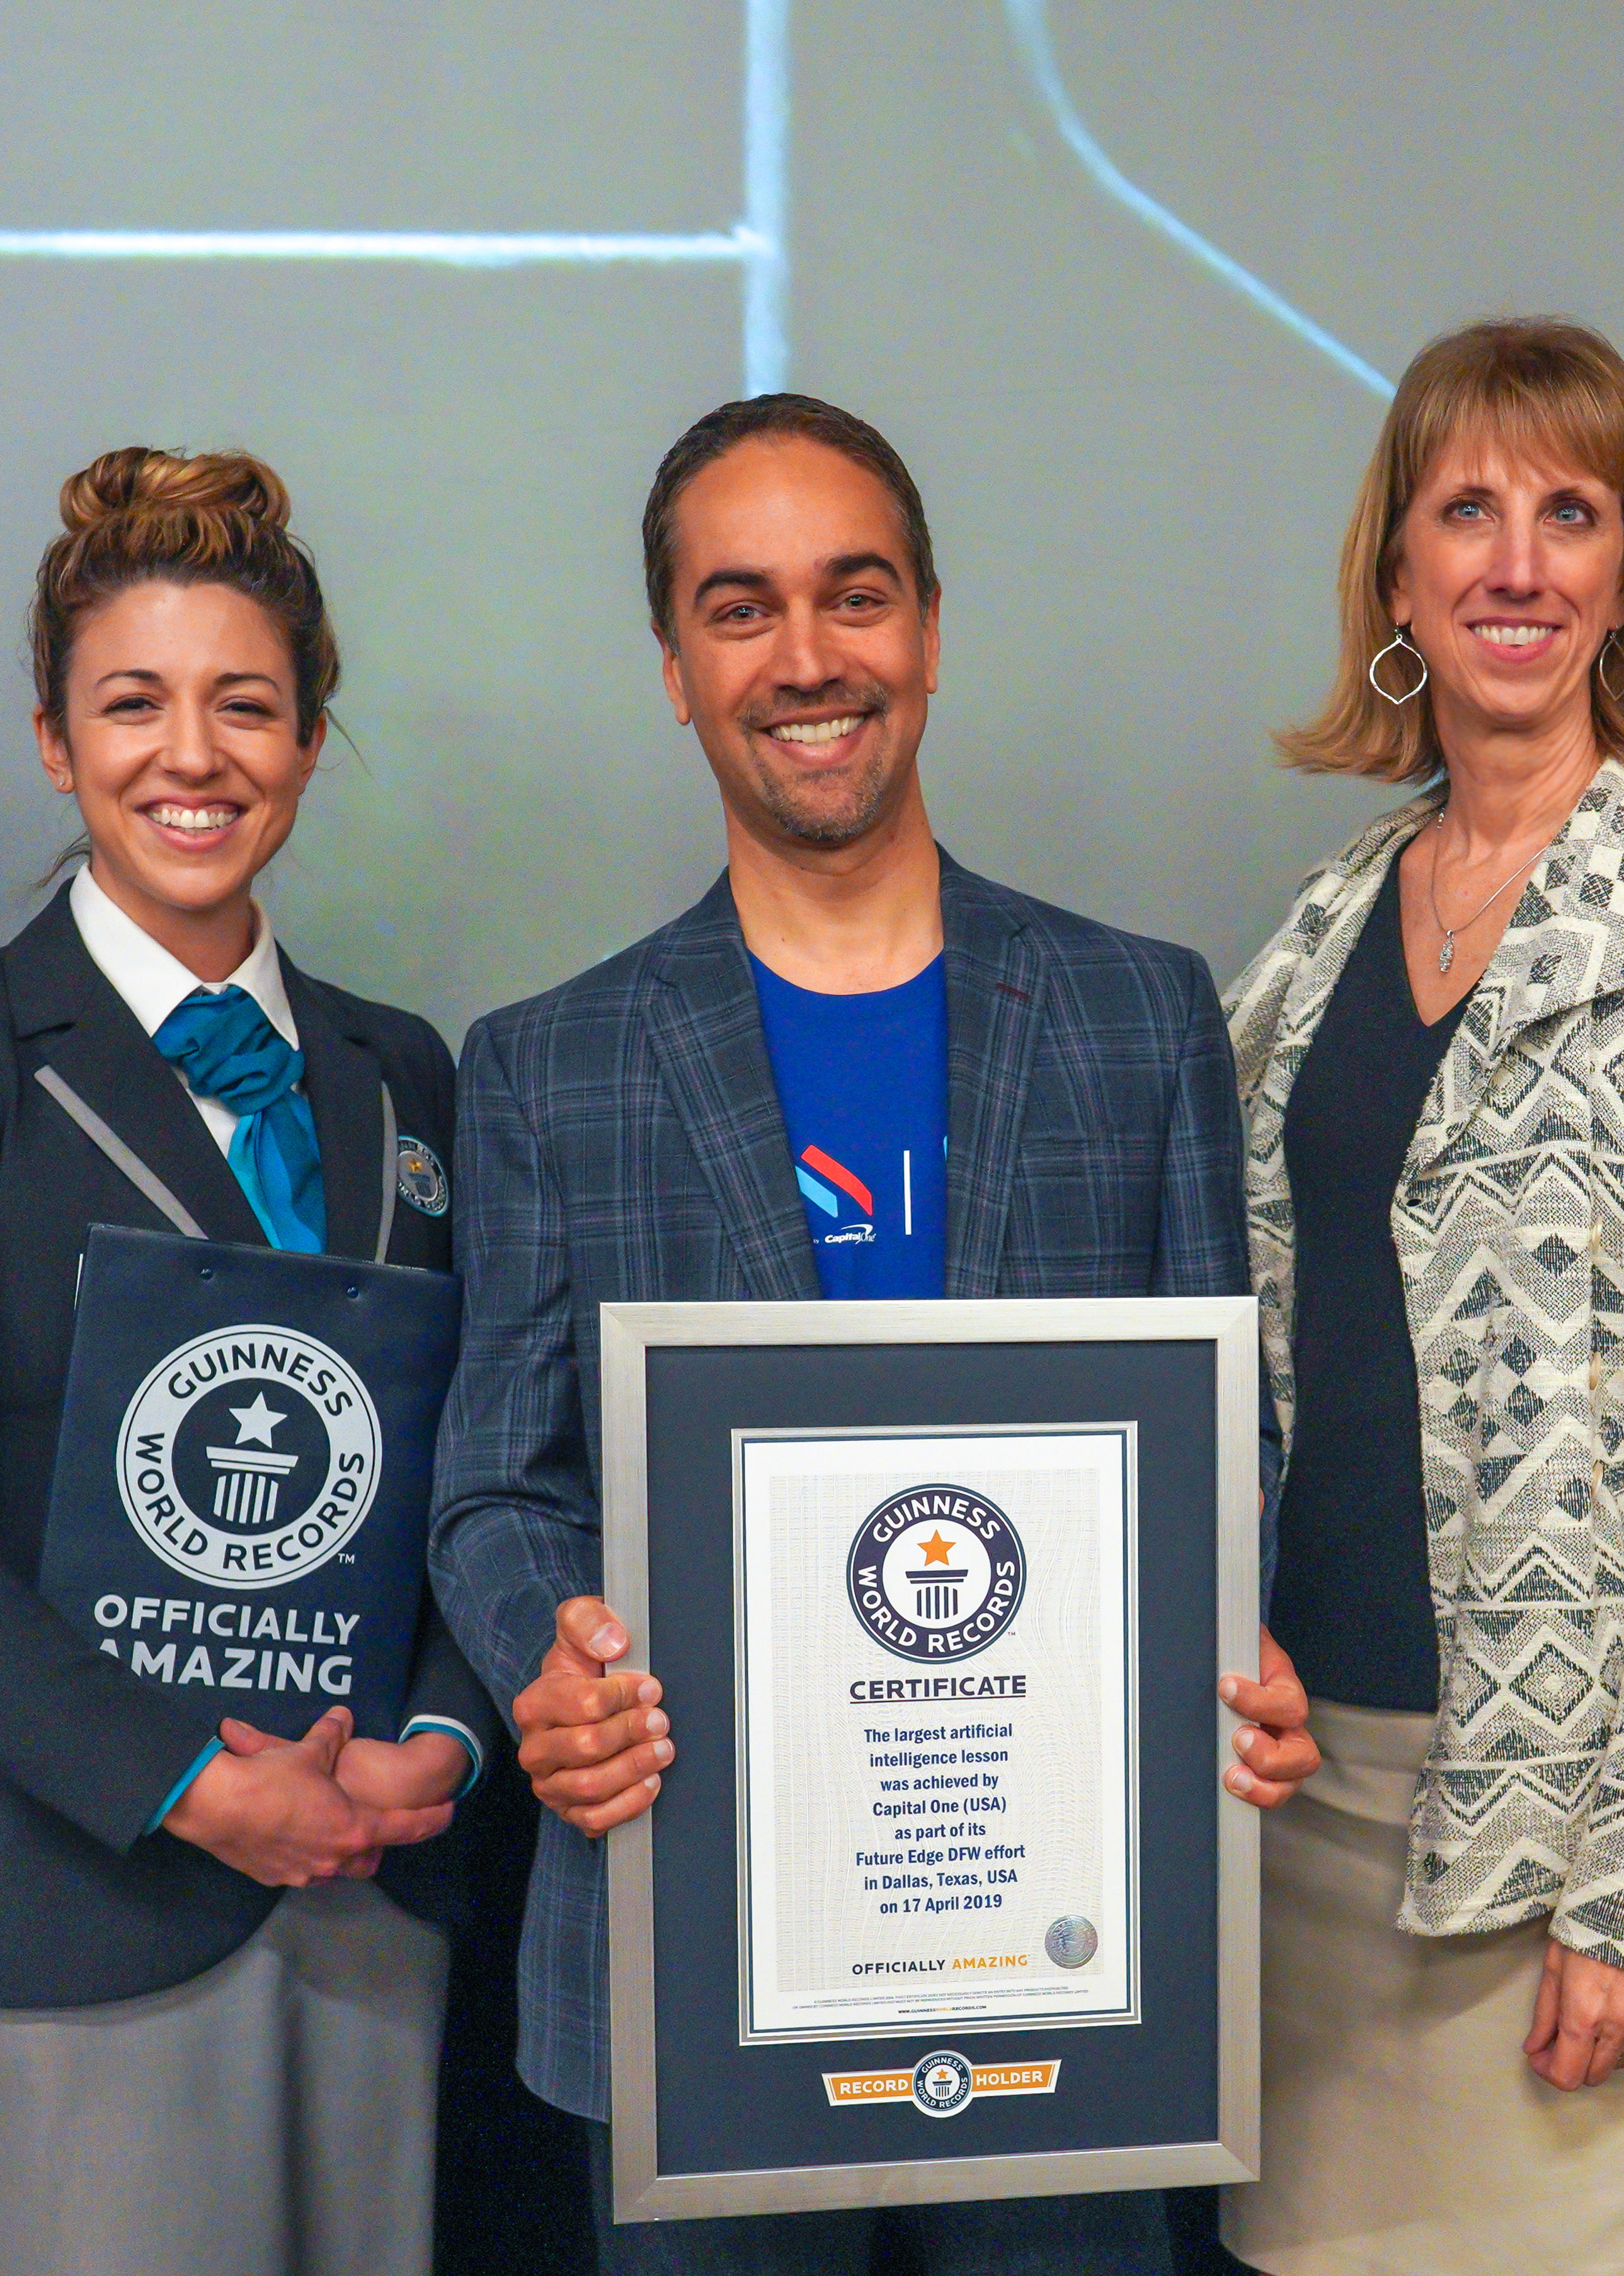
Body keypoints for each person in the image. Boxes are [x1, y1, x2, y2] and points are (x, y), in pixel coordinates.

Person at [425, 394, 1320, 2275]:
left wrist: (1214, 1626)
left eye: (857, 594)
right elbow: (499, 1493)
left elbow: (1220, 1434)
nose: (808, 656)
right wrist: (548, 1666)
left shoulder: (1133, 1016)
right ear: (674, 665)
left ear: (929, 624)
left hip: (1070, 1953)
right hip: (694, 1958)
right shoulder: (548, 1066)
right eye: (740, 608)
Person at [0, 444, 510, 2276]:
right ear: (52, 738)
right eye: (134, 703)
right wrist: (193, 1775)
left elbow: (461, 1465)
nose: (193, 754)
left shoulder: (402, 1072)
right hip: (55, 1920)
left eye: (245, 704)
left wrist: (439, 1733)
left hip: (360, 1923)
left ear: (311, 739)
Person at [1214, 318, 1624, 2276]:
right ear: (1394, 569)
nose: (1517, 563)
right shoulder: (1311, 941)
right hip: (1304, 1827)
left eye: (1573, 513)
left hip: (1567, 1843)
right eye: (1467, 509)